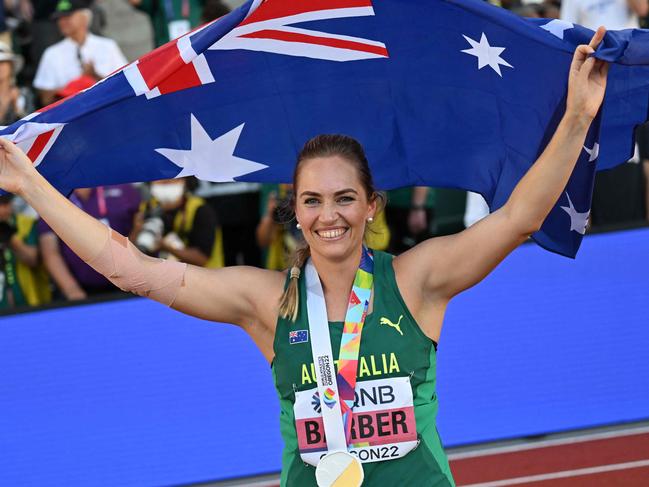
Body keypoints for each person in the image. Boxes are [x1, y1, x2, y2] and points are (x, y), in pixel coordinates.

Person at [0, 27, 609, 486]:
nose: (330, 215)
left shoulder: (417, 280)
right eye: (312, 201)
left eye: (345, 198)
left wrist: (579, 115)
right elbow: (131, 269)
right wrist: (30, 185)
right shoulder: (266, 303)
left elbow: (519, 218)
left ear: (372, 206)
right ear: (295, 210)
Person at [32, 0, 127, 107]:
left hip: (104, 108)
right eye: (59, 18)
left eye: (67, 16)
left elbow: (123, 83)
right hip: (69, 114)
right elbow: (45, 99)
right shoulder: (51, 53)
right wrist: (76, 86)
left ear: (84, 18)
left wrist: (94, 76)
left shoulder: (107, 46)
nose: (62, 22)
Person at [132, 178, 222, 268]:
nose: (166, 184)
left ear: (186, 182)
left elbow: (201, 259)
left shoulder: (200, 210)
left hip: (203, 277)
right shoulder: (147, 208)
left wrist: (165, 246)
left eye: (173, 180)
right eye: (160, 180)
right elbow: (131, 251)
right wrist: (136, 230)